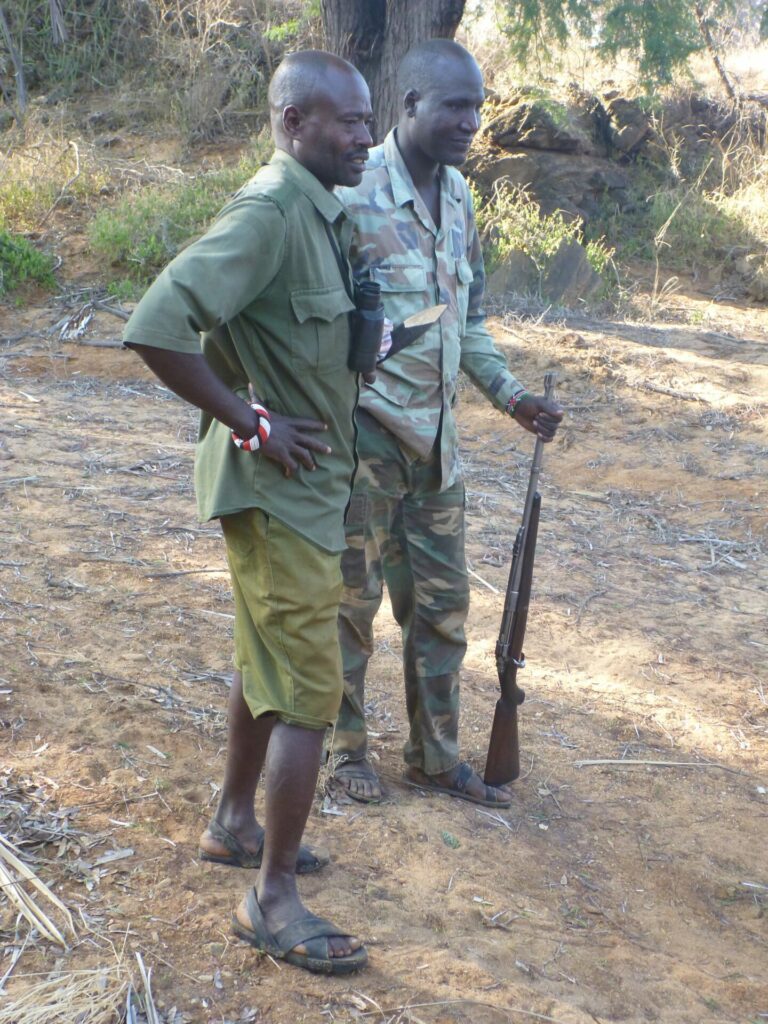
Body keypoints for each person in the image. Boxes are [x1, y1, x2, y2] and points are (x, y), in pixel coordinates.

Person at [123, 50, 374, 974]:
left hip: (307, 490)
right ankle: (271, 898)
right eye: (344, 121)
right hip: (278, 494)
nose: (364, 136)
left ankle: (234, 822)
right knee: (311, 694)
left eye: (366, 118)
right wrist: (253, 423)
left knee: (265, 659)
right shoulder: (269, 213)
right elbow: (156, 322)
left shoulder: (323, 215)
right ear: (291, 121)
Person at [332, 39, 563, 806]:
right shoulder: (351, 192)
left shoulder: (459, 197)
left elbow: (469, 321)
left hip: (437, 450)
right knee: (350, 609)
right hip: (363, 443)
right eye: (454, 105)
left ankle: (435, 757)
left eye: (477, 105)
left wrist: (512, 395)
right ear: (410, 105)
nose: (470, 120)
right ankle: (344, 751)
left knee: (441, 612)